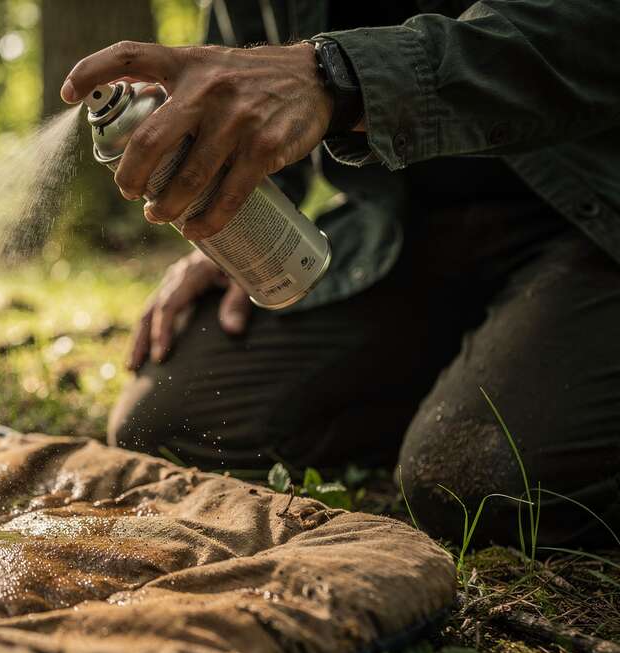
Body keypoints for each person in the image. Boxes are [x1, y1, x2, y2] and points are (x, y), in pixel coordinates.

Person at [59, 1, 620, 548]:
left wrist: (337, 77)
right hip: (399, 229)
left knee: (480, 484)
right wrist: (234, 218)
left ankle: (522, 397)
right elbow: (244, 78)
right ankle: (490, 376)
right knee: (169, 422)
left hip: (591, 216)